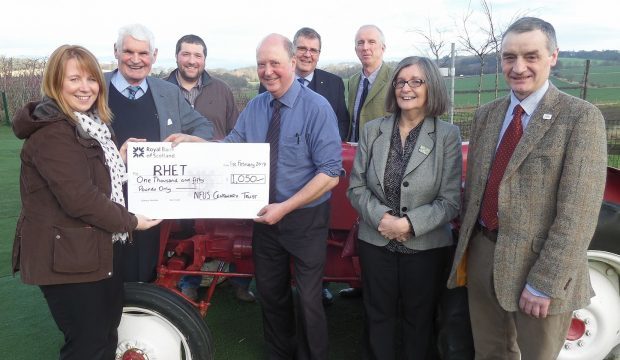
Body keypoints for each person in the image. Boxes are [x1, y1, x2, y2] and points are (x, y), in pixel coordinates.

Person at [447, 17, 607, 359]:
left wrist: (544, 282)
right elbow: (475, 193)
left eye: (531, 56)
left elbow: (578, 214)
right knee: (489, 353)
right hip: (483, 255)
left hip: (539, 267)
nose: (518, 67)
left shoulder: (580, 118)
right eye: (509, 57)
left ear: (553, 56)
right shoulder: (486, 116)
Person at [11, 44, 161, 360]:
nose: (86, 87)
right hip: (68, 257)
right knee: (88, 345)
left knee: (105, 337)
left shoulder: (90, 126)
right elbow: (80, 199)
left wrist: (118, 156)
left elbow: (91, 174)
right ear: (56, 83)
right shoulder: (53, 133)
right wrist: (133, 220)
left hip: (96, 249)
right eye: (74, 79)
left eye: (92, 79)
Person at [223, 33, 342, 359]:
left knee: (307, 298)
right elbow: (231, 146)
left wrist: (285, 207)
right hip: (264, 217)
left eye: (275, 62)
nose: (267, 70)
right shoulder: (256, 107)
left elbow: (331, 172)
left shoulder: (317, 108)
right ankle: (280, 353)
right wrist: (193, 145)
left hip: (305, 217)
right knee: (271, 294)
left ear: (292, 63)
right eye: (261, 64)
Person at [347, 56, 462, 359]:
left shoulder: (448, 136)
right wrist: (381, 218)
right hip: (376, 241)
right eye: (400, 81)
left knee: (419, 320)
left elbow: (450, 201)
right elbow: (356, 187)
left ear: (431, 87)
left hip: (425, 246)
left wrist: (408, 225)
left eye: (415, 81)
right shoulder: (372, 130)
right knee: (377, 316)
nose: (406, 88)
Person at [105, 24, 214, 283]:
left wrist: (190, 139)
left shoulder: (167, 92)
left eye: (143, 53)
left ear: (153, 56)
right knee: (106, 272)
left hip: (152, 203)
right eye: (128, 51)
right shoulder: (96, 87)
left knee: (143, 273)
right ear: (116, 52)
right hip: (105, 199)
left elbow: (204, 126)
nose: (135, 59)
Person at [165, 34, 253, 302]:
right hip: (179, 177)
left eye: (197, 55)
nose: (192, 60)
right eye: (186, 54)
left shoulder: (222, 90)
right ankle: (189, 280)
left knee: (233, 225)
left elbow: (236, 131)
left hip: (218, 173)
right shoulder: (160, 89)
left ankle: (239, 281)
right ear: (177, 56)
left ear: (204, 58)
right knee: (189, 230)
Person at [339, 24, 393, 299]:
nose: (365, 47)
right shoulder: (352, 82)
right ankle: (358, 281)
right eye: (360, 42)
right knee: (354, 218)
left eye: (372, 42)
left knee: (376, 220)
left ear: (383, 47)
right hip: (355, 158)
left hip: (385, 161)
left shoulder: (395, 79)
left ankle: (376, 285)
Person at [259, 27, 349, 141]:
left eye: (313, 50)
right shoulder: (271, 80)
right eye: (302, 48)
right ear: (292, 51)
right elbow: (261, 122)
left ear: (319, 54)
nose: (307, 54)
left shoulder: (335, 84)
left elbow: (342, 123)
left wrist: (326, 145)